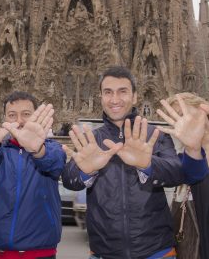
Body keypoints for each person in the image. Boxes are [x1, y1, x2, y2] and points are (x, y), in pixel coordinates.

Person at [61, 66, 207, 259]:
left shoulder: (155, 135)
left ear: (135, 96)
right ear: (101, 97)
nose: (115, 100)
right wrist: (85, 172)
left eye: (123, 91)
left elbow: (184, 174)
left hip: (156, 252)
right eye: (108, 92)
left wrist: (147, 164)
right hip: (104, 252)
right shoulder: (91, 139)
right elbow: (70, 180)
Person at [0, 91, 66, 259]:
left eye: (26, 114)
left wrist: (37, 150)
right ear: (5, 119)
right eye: (12, 115)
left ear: (36, 116)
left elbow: (54, 163)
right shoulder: (0, 151)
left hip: (39, 252)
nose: (19, 121)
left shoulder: (51, 148)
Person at [157, 92, 209, 259]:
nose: (181, 123)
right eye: (175, 119)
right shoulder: (184, 161)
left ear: (203, 110)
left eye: (182, 114)